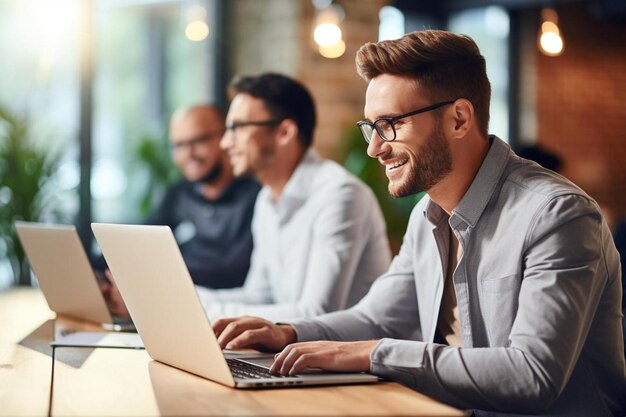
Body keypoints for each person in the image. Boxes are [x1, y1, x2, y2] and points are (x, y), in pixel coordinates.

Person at [211, 31, 626, 416]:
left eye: (390, 125)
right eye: (371, 127)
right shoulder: (426, 214)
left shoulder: (558, 215)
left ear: (459, 119)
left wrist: (374, 353)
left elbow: (533, 375)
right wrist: (287, 333)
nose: (375, 148)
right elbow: (378, 319)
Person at [194, 73, 391, 321]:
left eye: (236, 128)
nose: (224, 143)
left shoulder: (340, 195)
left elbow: (317, 315)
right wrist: (185, 298)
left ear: (285, 132)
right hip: (295, 355)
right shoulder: (266, 199)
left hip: (356, 357)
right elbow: (259, 296)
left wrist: (204, 311)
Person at [100, 105, 261, 316]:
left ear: (225, 138)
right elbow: (138, 238)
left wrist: (151, 278)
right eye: (179, 145)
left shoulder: (257, 198)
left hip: (214, 311)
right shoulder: (180, 193)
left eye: (198, 141)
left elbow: (233, 272)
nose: (188, 154)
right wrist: (99, 271)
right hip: (167, 298)